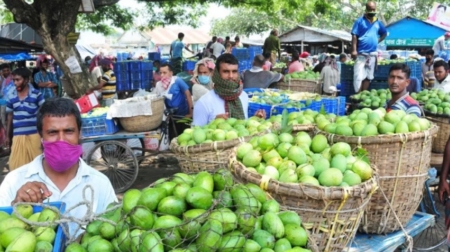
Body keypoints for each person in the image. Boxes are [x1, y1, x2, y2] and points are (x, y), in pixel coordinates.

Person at [0, 98, 117, 237]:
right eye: (52, 132)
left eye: (68, 131)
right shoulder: (15, 181)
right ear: (41, 137)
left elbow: (114, 230)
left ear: (79, 133)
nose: (61, 140)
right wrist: (15, 206)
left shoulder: (100, 184)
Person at [193, 54, 266, 126]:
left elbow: (242, 126)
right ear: (217, 73)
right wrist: (214, 123)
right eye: (226, 71)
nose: (231, 76)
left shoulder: (243, 96)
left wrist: (255, 119)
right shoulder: (204, 103)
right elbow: (195, 133)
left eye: (234, 71)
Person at [5, 68, 45, 170]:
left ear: (26, 80)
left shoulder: (37, 94)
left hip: (35, 135)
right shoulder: (11, 97)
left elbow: (44, 114)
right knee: (16, 167)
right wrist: (7, 136)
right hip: (18, 136)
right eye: (14, 80)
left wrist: (44, 133)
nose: (15, 83)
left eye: (18, 80)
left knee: (38, 166)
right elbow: (10, 116)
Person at [351, 1, 387, 93]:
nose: (372, 11)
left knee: (368, 76)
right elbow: (354, 35)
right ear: (366, 9)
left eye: (373, 9)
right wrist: (354, 50)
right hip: (361, 53)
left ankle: (363, 94)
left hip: (372, 54)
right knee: (358, 76)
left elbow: (384, 33)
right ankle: (357, 94)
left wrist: (377, 41)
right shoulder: (359, 21)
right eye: (370, 9)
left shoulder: (378, 22)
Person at [153, 63, 193, 139]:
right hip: (170, 116)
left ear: (171, 73)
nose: (162, 75)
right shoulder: (159, 85)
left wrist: (191, 112)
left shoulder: (177, 80)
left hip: (183, 113)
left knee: (184, 136)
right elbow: (157, 99)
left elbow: (188, 94)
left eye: (164, 73)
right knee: (173, 137)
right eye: (160, 73)